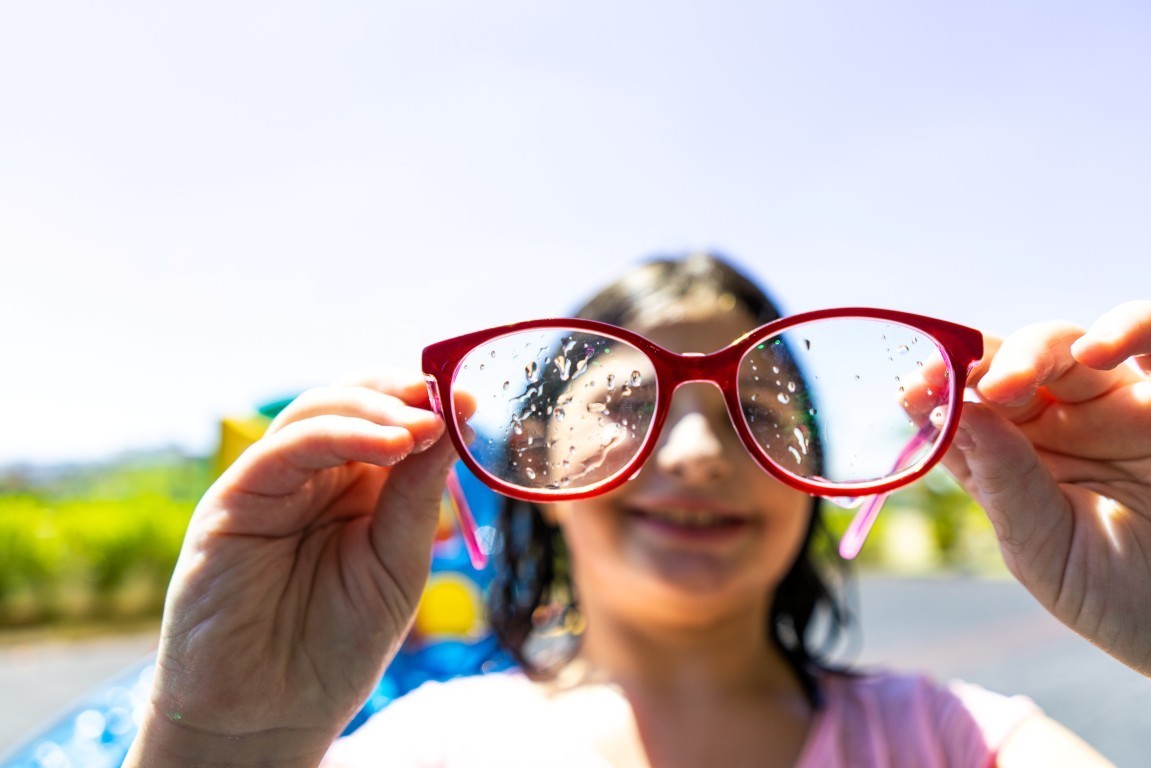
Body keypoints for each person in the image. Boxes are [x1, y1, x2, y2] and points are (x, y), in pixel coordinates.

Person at [122, 253, 1149, 767]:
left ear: (811, 477)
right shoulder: (428, 751)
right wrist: (222, 745)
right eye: (626, 403)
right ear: (540, 474)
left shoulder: (956, 746)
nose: (699, 452)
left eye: (758, 409)